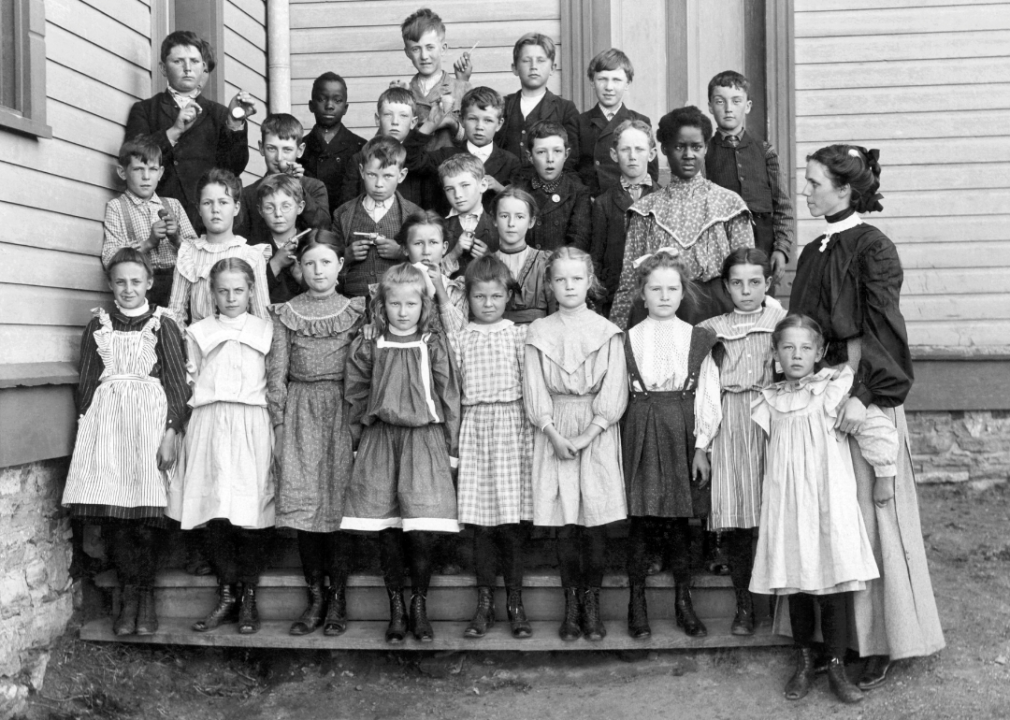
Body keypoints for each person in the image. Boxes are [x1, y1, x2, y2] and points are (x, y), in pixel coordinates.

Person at [789, 144, 944, 688]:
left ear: (844, 189)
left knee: (873, 513)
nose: (805, 191)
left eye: (813, 183)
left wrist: (866, 394)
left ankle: (885, 640)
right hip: (819, 392)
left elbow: (884, 330)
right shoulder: (814, 250)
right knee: (832, 516)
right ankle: (836, 639)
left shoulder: (872, 247)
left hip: (861, 393)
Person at [750, 314, 894, 704]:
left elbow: (874, 426)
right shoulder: (770, 399)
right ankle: (803, 661)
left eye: (805, 348)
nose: (796, 355)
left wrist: (885, 473)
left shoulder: (834, 389)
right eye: (788, 347)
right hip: (787, 503)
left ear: (819, 353)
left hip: (829, 501)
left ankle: (836, 665)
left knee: (834, 583)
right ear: (776, 354)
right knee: (795, 581)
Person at [62, 248, 189, 637]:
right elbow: (87, 385)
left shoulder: (163, 324)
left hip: (150, 426)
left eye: (136, 281)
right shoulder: (98, 326)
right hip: (108, 429)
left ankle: (145, 597)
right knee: (116, 519)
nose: (128, 289)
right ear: (110, 284)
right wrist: (86, 433)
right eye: (120, 282)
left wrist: (171, 432)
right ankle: (128, 597)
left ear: (149, 283)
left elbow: (177, 384)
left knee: (146, 519)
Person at [341, 263, 462, 643]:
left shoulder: (433, 343)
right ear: (382, 305)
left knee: (421, 529)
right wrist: (356, 442)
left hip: (424, 441)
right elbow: (355, 394)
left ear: (423, 305)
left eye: (411, 304)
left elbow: (449, 394)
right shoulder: (370, 343)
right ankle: (395, 607)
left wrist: (452, 448)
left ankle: (419, 604)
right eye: (395, 304)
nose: (403, 311)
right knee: (388, 529)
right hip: (380, 440)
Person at [524, 247, 629, 641]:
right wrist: (552, 432)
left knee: (595, 523)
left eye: (577, 278)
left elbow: (614, 390)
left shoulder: (607, 331)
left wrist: (588, 434)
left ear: (590, 282)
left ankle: (592, 604)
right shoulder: (538, 331)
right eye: (561, 279)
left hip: (595, 431)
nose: (569, 286)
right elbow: (534, 389)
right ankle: (571, 606)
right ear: (550, 285)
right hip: (555, 430)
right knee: (566, 523)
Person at [168, 258, 275, 635]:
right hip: (210, 422)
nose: (231, 297)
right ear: (212, 294)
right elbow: (190, 379)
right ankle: (227, 594)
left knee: (251, 510)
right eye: (223, 291)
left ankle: (248, 597)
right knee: (215, 509)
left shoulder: (266, 330)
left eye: (239, 290)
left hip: (251, 422)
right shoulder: (198, 332)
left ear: (251, 291)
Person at [267, 231, 366, 637]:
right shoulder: (286, 313)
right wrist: (279, 424)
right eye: (309, 263)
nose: (318, 270)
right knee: (306, 508)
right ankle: (315, 598)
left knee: (338, 506)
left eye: (326, 262)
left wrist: (359, 422)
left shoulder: (356, 311)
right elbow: (277, 371)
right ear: (299, 268)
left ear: (341, 265)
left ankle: (338, 598)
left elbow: (364, 367)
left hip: (343, 409)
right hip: (301, 410)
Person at [621, 250, 720, 640]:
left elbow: (708, 394)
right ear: (642, 294)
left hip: (682, 428)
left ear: (683, 293)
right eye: (655, 289)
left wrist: (702, 446)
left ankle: (683, 602)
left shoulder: (696, 339)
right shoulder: (627, 339)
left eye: (672, 289)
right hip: (641, 426)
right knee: (640, 518)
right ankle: (637, 603)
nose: (664, 296)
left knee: (680, 519)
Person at [439, 255, 534, 640]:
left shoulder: (520, 335)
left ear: (508, 296)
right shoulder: (461, 337)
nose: (489, 303)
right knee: (480, 525)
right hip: (476, 428)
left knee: (511, 524)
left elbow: (530, 386)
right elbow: (455, 389)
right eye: (480, 296)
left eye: (496, 296)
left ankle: (515, 603)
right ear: (469, 298)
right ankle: (484, 604)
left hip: (512, 426)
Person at [697, 248, 786, 636]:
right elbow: (706, 390)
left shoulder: (782, 322)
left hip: (773, 421)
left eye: (754, 282)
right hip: (730, 421)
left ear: (768, 283)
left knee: (776, 513)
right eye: (737, 283)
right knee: (735, 519)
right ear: (726, 286)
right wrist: (703, 445)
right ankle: (744, 606)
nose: (746, 291)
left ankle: (780, 607)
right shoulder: (712, 329)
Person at [610, 106, 754, 329]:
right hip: (659, 316)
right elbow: (629, 281)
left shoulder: (730, 204)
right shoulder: (645, 210)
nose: (688, 155)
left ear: (706, 148)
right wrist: (618, 333)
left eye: (696, 147)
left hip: (718, 315)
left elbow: (746, 274)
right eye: (679, 147)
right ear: (664, 149)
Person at [125, 30, 252, 231]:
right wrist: (174, 131)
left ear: (203, 67)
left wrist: (235, 123)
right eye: (178, 61)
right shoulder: (145, 110)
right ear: (163, 68)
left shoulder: (220, 114)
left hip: (206, 221)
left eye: (194, 61)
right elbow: (134, 161)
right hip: (159, 218)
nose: (187, 68)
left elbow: (233, 167)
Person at [705, 71, 794, 291]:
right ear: (710, 107)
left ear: (748, 106)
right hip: (720, 242)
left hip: (762, 243)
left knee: (759, 298)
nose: (728, 108)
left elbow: (782, 205)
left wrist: (781, 249)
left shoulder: (765, 151)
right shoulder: (705, 153)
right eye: (720, 101)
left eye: (736, 101)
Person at [102, 137, 197, 308]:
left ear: (160, 173)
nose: (146, 177)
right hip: (139, 290)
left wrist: (176, 239)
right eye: (138, 169)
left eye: (152, 169)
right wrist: (147, 244)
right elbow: (109, 258)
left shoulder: (173, 205)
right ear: (122, 172)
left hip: (178, 289)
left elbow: (198, 255)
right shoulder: (117, 207)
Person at [167, 168, 270, 325]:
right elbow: (176, 313)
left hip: (240, 338)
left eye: (223, 202)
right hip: (198, 338)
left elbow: (262, 316)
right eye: (207, 203)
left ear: (236, 208)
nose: (215, 209)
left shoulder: (251, 255)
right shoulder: (188, 253)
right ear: (199, 209)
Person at [404, 86, 522, 215]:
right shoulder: (445, 156)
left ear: (499, 124)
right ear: (461, 119)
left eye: (488, 120)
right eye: (472, 119)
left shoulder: (511, 162)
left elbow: (520, 204)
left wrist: (499, 188)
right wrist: (430, 124)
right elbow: (410, 159)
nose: (479, 127)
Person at [332, 136, 421, 298]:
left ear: (401, 175)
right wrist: (346, 255)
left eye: (387, 176)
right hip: (353, 301)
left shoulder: (415, 215)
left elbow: (426, 261)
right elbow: (328, 261)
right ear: (361, 171)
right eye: (372, 175)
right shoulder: (342, 214)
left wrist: (402, 253)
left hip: (399, 300)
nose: (379, 184)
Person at [589, 119, 659, 317]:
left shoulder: (664, 198)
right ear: (614, 154)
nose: (632, 156)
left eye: (639, 149)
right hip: (616, 297)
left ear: (651, 154)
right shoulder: (603, 203)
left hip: (656, 296)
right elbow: (597, 257)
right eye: (625, 149)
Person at [235, 113, 331, 248]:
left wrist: (298, 185)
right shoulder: (248, 194)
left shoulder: (314, 187)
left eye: (287, 149)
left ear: (300, 150)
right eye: (271, 148)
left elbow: (323, 226)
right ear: (261, 148)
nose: (279, 158)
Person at [575, 49, 659, 197]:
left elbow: (651, 172)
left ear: (627, 83)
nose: (609, 87)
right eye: (602, 79)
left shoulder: (640, 121)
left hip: (628, 199)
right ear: (592, 82)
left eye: (616, 80)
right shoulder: (579, 122)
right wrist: (585, 199)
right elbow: (570, 170)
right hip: (591, 200)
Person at [496, 33, 579, 176]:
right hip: (505, 184)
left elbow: (571, 159)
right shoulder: (503, 106)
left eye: (541, 60)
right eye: (526, 60)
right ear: (515, 68)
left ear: (552, 68)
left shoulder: (565, 109)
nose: (533, 67)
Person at [337, 88, 425, 208]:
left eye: (403, 115)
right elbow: (346, 207)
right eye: (388, 114)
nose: (395, 122)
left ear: (413, 122)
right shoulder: (359, 159)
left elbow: (427, 209)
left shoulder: (420, 161)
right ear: (377, 119)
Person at [398, 7, 471, 152]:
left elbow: (474, 139)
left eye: (430, 47)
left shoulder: (461, 88)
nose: (424, 56)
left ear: (443, 48)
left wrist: (453, 124)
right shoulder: (404, 92)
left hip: (451, 164)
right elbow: (393, 139)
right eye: (416, 49)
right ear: (407, 53)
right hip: (414, 165)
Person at [513, 121, 592, 252]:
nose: (550, 159)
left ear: (566, 154)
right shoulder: (520, 191)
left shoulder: (578, 193)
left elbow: (578, 242)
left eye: (557, 151)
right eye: (541, 152)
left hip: (562, 263)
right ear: (530, 156)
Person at [301, 71, 367, 209]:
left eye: (337, 101)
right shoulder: (299, 149)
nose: (329, 106)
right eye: (322, 99)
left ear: (345, 108)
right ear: (311, 105)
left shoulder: (361, 147)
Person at [493, 187, 554, 323]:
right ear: (495, 220)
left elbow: (556, 313)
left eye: (519, 217)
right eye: (504, 216)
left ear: (531, 222)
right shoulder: (486, 264)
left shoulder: (545, 262)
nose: (511, 224)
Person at [436, 154, 498, 277]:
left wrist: (490, 258)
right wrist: (454, 254)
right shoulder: (438, 227)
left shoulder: (498, 225)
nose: (458, 195)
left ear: (483, 185)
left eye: (465, 185)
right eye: (449, 189)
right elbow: (431, 276)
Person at [252, 174, 308, 303]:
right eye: (269, 207)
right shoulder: (253, 249)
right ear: (260, 210)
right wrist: (276, 263)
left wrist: (302, 279)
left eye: (286, 206)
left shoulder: (311, 244)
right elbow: (249, 292)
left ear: (300, 207)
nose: (278, 214)